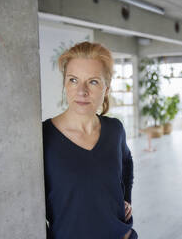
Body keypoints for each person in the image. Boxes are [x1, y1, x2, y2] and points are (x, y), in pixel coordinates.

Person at [42, 41, 137, 239]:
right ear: (65, 84)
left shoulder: (115, 129)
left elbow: (127, 163)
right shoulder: (43, 137)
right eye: (73, 80)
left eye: (93, 81)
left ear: (107, 89)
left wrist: (125, 199)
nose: (82, 91)